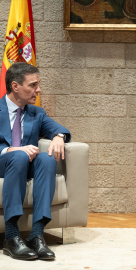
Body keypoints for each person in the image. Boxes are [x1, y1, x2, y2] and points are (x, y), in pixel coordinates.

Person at [0, 62, 71, 260]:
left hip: (25, 165)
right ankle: (12, 236)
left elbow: (58, 128)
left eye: (38, 84)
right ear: (15, 86)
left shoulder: (36, 113)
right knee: (20, 155)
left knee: (47, 159)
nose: (38, 90)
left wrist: (58, 136)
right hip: (2, 164)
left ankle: (37, 235)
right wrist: (11, 149)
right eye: (33, 85)